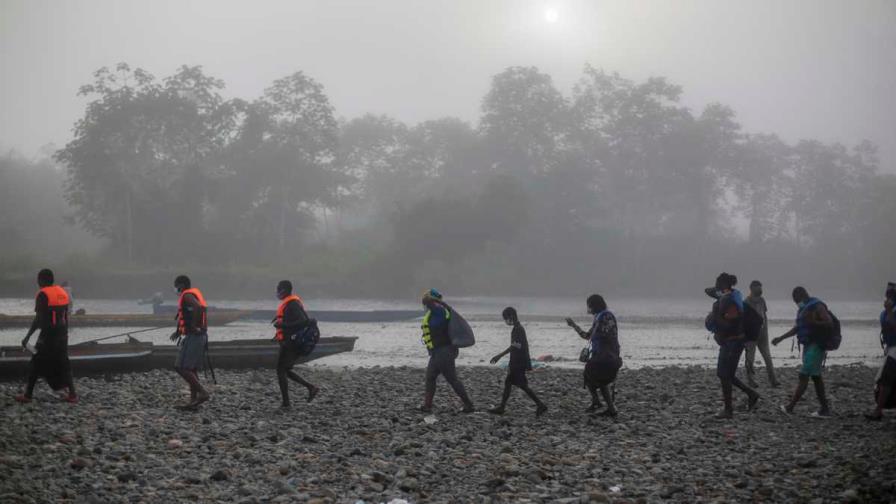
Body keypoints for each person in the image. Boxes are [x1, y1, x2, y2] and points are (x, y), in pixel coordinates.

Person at [16, 269, 77, 404]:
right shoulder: (62, 293)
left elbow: (38, 319)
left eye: (38, 280)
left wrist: (27, 337)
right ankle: (73, 395)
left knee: (35, 362)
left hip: (48, 335)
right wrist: (65, 334)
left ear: (42, 280)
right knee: (64, 363)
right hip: (62, 334)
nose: (37, 283)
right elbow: (65, 316)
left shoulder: (43, 295)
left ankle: (27, 395)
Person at [772, 286, 833, 417]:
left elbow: (829, 323)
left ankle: (790, 407)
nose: (796, 303)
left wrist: (814, 322)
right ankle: (825, 409)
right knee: (816, 377)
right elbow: (798, 328)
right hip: (808, 346)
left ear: (803, 296)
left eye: (797, 300)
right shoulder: (803, 309)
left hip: (817, 346)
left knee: (803, 375)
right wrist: (780, 338)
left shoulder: (817, 306)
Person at [707, 273, 759, 419]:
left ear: (723, 285)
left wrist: (716, 316)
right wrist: (718, 295)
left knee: (725, 375)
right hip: (729, 341)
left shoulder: (731, 301)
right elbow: (708, 290)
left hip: (734, 342)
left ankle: (728, 410)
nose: (716, 285)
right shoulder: (730, 296)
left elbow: (731, 323)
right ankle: (752, 394)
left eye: (718, 283)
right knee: (725, 374)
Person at [566, 294, 622, 417]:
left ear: (594, 306)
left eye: (589, 306)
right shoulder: (598, 317)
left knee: (598, 378)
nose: (588, 309)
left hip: (607, 357)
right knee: (588, 374)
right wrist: (574, 326)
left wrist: (599, 334)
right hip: (601, 356)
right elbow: (587, 336)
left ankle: (610, 408)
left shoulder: (606, 316)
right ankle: (598, 402)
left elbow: (608, 335)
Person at [420, 289, 475, 414]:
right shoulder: (434, 312)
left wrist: (430, 297)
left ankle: (469, 405)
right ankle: (427, 406)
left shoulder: (440, 311)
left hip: (444, 351)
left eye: (427, 301)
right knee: (430, 377)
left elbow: (429, 301)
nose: (424, 304)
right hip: (436, 352)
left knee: (452, 379)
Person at [487, 307, 547, 416]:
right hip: (518, 361)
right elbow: (516, 346)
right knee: (510, 383)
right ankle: (502, 407)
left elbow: (515, 346)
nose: (505, 321)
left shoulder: (518, 329)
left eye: (505, 318)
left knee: (521, 385)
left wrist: (499, 355)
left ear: (511, 317)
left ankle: (540, 405)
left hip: (518, 362)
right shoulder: (517, 328)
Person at [272, 280, 319, 409]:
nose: (277, 292)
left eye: (278, 289)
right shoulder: (290, 304)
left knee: (281, 370)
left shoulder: (292, 304)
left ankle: (286, 403)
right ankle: (311, 387)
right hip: (289, 341)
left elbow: (303, 321)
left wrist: (283, 325)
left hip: (291, 343)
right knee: (285, 370)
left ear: (285, 290)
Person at [170, 275, 210, 410]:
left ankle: (203, 392)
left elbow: (197, 307)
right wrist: (178, 332)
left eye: (176, 286)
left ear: (181, 285)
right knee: (191, 368)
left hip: (195, 336)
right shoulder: (189, 295)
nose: (175, 289)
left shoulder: (187, 296)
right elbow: (187, 315)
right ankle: (193, 400)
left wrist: (192, 326)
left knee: (181, 367)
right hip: (197, 336)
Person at [865, 282, 896, 421]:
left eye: (892, 295)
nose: (889, 297)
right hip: (891, 349)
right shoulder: (885, 312)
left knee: (886, 380)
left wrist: (889, 311)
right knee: (885, 380)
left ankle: (878, 411)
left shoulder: (889, 311)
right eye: (888, 294)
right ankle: (879, 410)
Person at [743, 280, 780, 388]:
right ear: (751, 288)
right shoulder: (746, 302)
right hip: (751, 335)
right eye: (757, 287)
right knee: (750, 358)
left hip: (763, 333)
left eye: (760, 287)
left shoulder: (762, 300)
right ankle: (750, 380)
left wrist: (765, 329)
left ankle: (773, 380)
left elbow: (764, 315)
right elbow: (745, 320)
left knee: (767, 357)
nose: (760, 290)